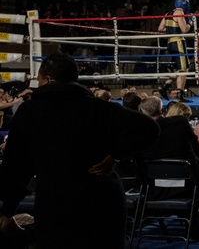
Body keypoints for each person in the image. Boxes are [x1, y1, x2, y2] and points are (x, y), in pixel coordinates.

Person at [0, 53, 159, 248]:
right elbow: (149, 128)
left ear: (47, 79)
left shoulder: (29, 112)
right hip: (101, 199)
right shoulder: (99, 108)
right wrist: (116, 155)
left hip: (57, 201)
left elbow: (15, 165)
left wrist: (7, 211)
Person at [158, 0, 193, 101]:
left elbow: (160, 28)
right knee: (183, 69)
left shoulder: (167, 14)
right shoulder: (179, 13)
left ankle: (167, 87)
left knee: (182, 69)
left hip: (170, 42)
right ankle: (177, 93)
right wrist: (190, 22)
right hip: (178, 42)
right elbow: (184, 29)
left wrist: (171, 30)